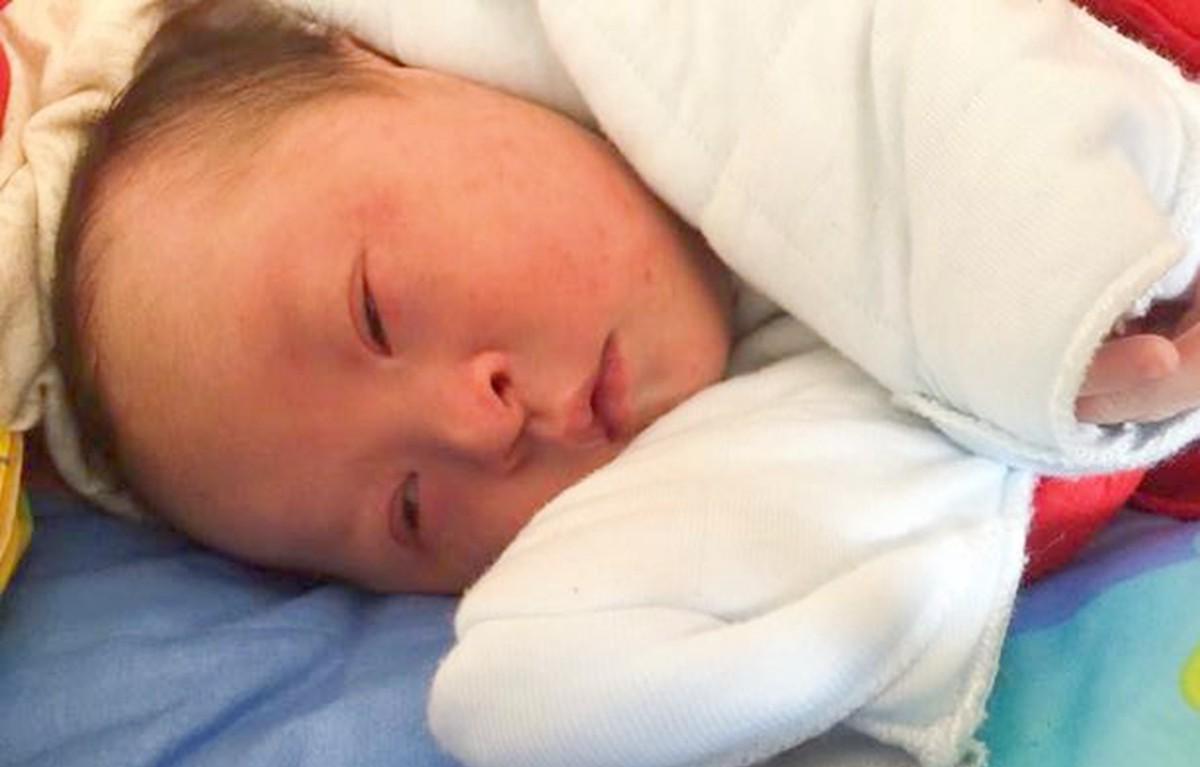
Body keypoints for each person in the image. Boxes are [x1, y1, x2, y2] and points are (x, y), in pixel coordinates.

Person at [48, 0, 1200, 597]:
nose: (476, 426)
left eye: (376, 314)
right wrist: (1068, 380)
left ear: (378, 57)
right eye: (408, 510)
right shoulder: (763, 488)